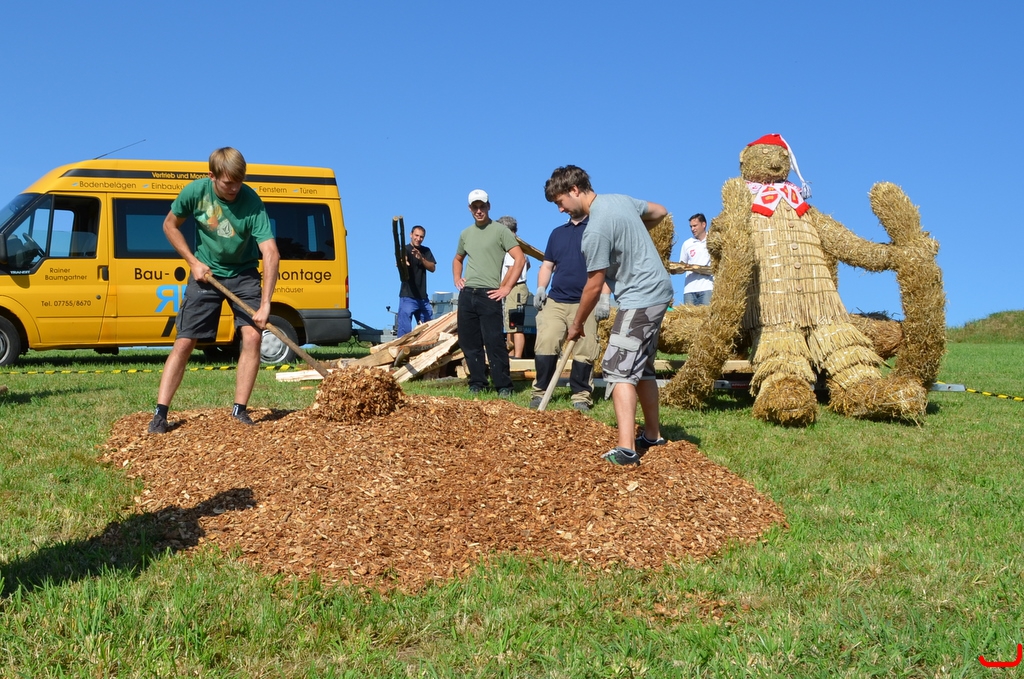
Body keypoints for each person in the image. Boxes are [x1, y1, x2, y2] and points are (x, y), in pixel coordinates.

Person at [545, 165, 674, 465]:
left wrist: (577, 323)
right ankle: (652, 435)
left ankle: (626, 450)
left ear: (574, 190)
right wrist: (631, 237)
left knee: (618, 368)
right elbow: (660, 211)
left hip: (640, 298)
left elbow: (593, 285)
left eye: (560, 202)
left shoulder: (595, 230)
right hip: (658, 291)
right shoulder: (620, 200)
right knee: (642, 368)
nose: (561, 210)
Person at [147, 148, 280, 434]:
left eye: (239, 182)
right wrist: (193, 262)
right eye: (228, 183)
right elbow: (169, 225)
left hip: (243, 274)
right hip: (205, 273)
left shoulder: (252, 202)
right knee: (185, 341)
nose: (234, 188)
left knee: (252, 337)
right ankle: (160, 414)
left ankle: (239, 411)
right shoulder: (196, 192)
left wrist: (266, 303)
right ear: (212, 176)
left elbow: (270, 252)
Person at [452, 190, 526, 397]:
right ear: (470, 209)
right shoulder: (465, 234)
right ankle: (478, 383)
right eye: (475, 207)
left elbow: (520, 259)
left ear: (488, 206)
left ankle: (504, 386)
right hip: (468, 294)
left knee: (494, 341)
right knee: (469, 342)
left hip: (489, 294)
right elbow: (457, 259)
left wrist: (506, 287)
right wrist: (457, 278)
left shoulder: (500, 231)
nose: (479, 210)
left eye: (482, 206)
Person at [530, 212, 606, 412]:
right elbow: (547, 266)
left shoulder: (597, 231)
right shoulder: (557, 233)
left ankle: (581, 397)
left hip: (586, 302)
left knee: (585, 350)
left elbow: (608, 269)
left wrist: (604, 298)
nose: (562, 208)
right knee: (546, 342)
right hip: (556, 300)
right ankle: (540, 393)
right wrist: (541, 288)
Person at [496, 215, 530, 358]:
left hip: (515, 288)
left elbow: (511, 270)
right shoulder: (520, 248)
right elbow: (528, 265)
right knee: (510, 324)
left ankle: (517, 356)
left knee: (516, 325)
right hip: (515, 288)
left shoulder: (513, 247)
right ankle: (511, 354)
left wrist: (501, 287)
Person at [396, 224, 436, 337]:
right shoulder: (405, 249)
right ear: (411, 235)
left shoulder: (426, 251)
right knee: (404, 331)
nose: (418, 239)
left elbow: (432, 268)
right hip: (408, 296)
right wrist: (402, 262)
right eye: (416, 235)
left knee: (428, 329)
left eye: (421, 237)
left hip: (423, 297)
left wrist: (421, 258)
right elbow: (403, 259)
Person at [679, 212, 713, 305]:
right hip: (689, 290)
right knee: (688, 314)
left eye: (695, 226)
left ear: (703, 224)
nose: (692, 229)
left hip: (707, 288)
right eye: (691, 226)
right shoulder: (687, 244)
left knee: (707, 313)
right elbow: (682, 266)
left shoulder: (713, 241)